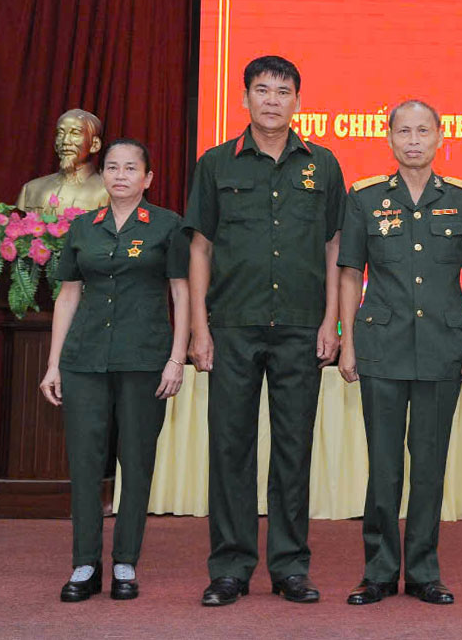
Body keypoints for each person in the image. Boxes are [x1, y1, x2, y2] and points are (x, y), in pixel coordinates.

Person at [184, 55, 345, 607]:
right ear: (245, 98)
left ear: (297, 101)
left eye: (282, 91)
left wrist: (331, 320)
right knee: (230, 448)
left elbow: (334, 246)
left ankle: (290, 566)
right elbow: (200, 247)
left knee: (293, 449)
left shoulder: (323, 164)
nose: (272, 100)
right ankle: (230, 568)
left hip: (301, 326)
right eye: (262, 90)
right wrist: (199, 327)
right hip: (232, 325)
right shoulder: (215, 163)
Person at [337, 100, 462, 607]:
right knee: (383, 467)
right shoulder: (364, 198)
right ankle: (378, 571)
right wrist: (347, 342)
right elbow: (350, 272)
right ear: (390, 138)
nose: (414, 140)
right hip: (382, 346)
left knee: (429, 465)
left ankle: (424, 571)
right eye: (405, 131)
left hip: (443, 347)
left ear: (440, 137)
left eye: (424, 131)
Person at [39, 138, 189, 602]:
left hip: (144, 358)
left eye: (130, 168)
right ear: (102, 174)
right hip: (84, 359)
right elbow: (67, 295)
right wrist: (53, 364)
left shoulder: (168, 225)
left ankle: (125, 561)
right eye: (112, 167)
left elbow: (181, 293)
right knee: (85, 463)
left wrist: (177, 357)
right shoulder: (83, 227)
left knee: (137, 461)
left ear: (148, 178)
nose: (120, 175)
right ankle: (85, 563)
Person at [16, 108, 109, 215]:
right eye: (60, 134)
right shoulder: (31, 189)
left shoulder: (108, 192)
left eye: (75, 133)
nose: (65, 141)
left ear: (94, 144)